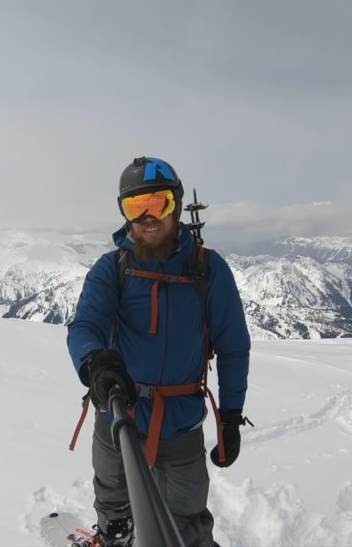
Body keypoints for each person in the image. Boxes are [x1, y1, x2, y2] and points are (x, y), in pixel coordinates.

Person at [67, 156, 252, 547]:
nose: (148, 217)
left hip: (180, 422)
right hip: (118, 413)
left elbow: (233, 347)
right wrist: (95, 362)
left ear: (177, 206)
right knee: (114, 507)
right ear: (124, 214)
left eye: (159, 203)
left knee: (186, 524)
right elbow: (86, 325)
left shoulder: (208, 269)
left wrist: (231, 416)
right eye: (136, 206)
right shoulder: (111, 268)